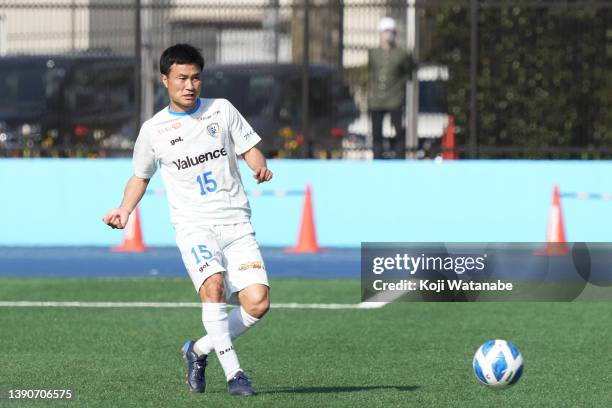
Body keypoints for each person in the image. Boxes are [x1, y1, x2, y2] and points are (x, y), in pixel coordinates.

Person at [102, 44, 272, 397]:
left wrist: (257, 164)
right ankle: (235, 375)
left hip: (237, 223)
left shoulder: (221, 110)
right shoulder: (154, 130)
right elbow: (140, 176)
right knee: (215, 289)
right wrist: (124, 209)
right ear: (165, 80)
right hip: (194, 226)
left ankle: (197, 351)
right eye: (181, 78)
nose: (190, 85)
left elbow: (248, 146)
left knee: (257, 303)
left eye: (195, 78)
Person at [367, 17, 414, 159]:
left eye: (390, 31)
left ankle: (400, 158)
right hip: (376, 100)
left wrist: (400, 85)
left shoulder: (401, 54)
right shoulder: (373, 53)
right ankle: (377, 158)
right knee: (376, 133)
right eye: (385, 31)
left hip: (394, 98)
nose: (387, 34)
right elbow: (372, 73)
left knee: (398, 131)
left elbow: (409, 72)